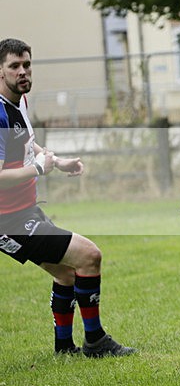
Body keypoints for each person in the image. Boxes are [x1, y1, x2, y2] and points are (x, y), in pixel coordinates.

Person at [0, 38, 136, 357]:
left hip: (24, 212)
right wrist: (37, 169)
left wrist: (54, 160)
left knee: (66, 272)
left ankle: (64, 347)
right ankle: (96, 341)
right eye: (14, 66)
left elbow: (27, 143)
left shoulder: (19, 102)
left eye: (27, 65)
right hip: (10, 220)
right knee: (89, 256)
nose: (23, 72)